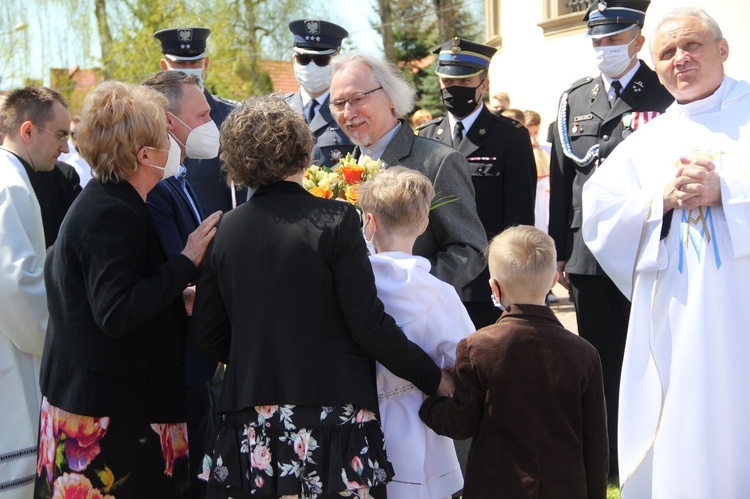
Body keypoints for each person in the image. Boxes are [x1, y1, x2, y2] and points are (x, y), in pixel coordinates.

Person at [192, 95, 450, 498]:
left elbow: (207, 335)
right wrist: (434, 378)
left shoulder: (225, 232)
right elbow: (368, 324)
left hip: (251, 417)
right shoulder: (336, 220)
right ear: (302, 150)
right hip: (334, 414)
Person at [582, 8, 750, 497]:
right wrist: (660, 200)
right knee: (690, 414)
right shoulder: (646, 140)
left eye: (692, 45)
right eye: (667, 52)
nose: (680, 59)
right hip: (679, 315)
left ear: (722, 49)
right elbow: (599, 216)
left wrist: (730, 190)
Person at [34, 81, 221, 498]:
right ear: (144, 154)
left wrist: (176, 296)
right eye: (165, 138)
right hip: (108, 424)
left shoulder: (116, 200)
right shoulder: (111, 213)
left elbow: (127, 290)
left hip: (112, 409)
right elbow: (116, 312)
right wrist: (186, 261)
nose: (174, 145)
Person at [548, 0, 673, 475]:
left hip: (648, 245)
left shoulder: (663, 91)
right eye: (597, 40)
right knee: (599, 359)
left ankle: (656, 451)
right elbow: (564, 180)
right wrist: (558, 249)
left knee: (651, 355)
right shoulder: (574, 98)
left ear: (638, 39)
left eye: (613, 39)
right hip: (588, 254)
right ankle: (609, 458)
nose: (603, 49)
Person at [420, 225, 609, 498]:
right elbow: (596, 444)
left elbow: (461, 423)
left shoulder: (476, 348)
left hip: (496, 486)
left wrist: (431, 403)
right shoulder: (584, 353)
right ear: (554, 279)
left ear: (494, 288)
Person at [329, 51, 487, 293]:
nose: (348, 113)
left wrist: (411, 290)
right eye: (339, 104)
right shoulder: (336, 173)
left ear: (390, 97)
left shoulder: (437, 162)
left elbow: (469, 250)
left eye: (358, 98)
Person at [358, 167, 473, 498]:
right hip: (420, 418)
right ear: (424, 225)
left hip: (358, 420)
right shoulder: (438, 293)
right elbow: (467, 359)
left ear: (370, 222)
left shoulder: (353, 288)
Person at [417, 37, 536, 329]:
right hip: (434, 281)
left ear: (484, 83)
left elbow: (519, 216)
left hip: (487, 285)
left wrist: (512, 282)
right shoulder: (425, 137)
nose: (453, 88)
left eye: (465, 80)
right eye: (446, 81)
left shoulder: (510, 136)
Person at [143, 70, 223, 499]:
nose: (212, 122)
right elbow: (176, 273)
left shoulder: (179, 174)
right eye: (203, 113)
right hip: (174, 366)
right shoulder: (154, 186)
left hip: (194, 362)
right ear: (169, 121)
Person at [0, 86, 70, 498]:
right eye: (60, 134)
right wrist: (58, 337)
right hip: (13, 354)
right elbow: (15, 284)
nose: (65, 147)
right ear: (28, 130)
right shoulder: (11, 186)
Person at [155, 26, 240, 213]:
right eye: (179, 64)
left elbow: (241, 189)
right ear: (164, 66)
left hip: (217, 232)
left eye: (194, 63)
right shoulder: (148, 116)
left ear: (206, 64)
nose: (188, 71)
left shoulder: (233, 116)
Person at [285, 19, 355, 167]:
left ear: (336, 61)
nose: (311, 66)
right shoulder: (278, 111)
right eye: (303, 59)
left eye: (321, 60)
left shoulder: (353, 111)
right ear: (294, 60)